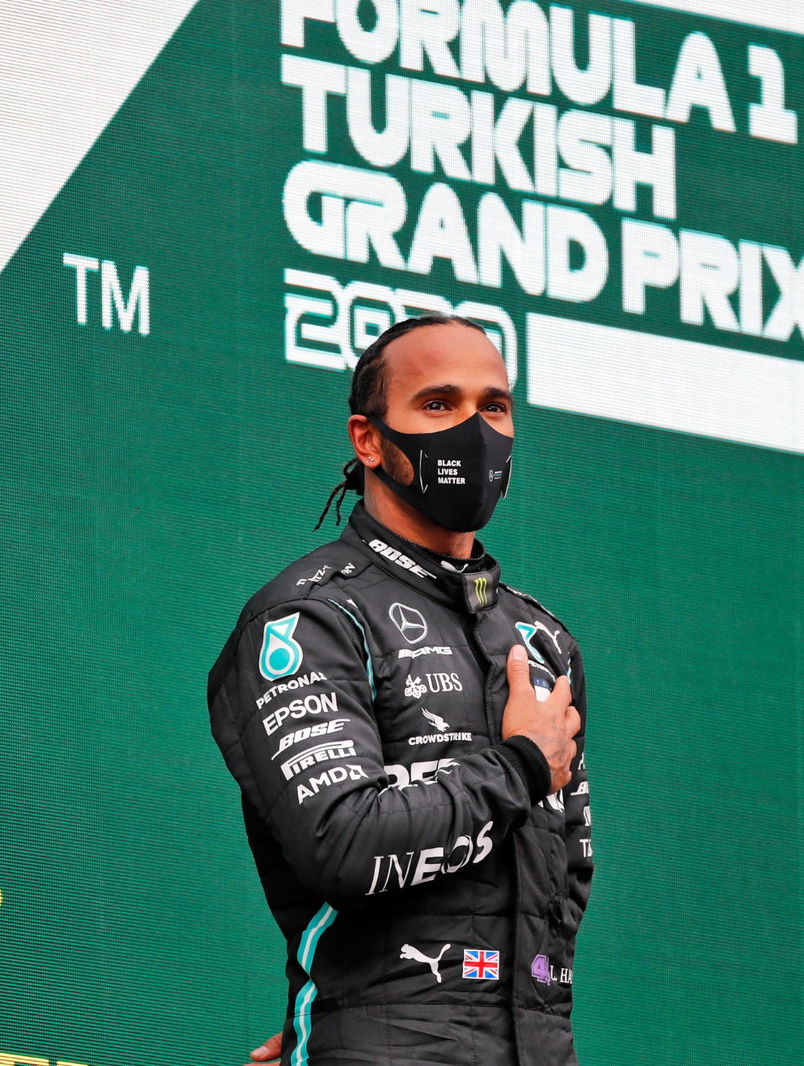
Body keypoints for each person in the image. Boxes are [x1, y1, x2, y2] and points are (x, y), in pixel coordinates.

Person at [207, 313, 591, 1065]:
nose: (474, 432)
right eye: (439, 405)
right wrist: (519, 764)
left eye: (493, 406)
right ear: (369, 440)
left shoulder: (543, 638)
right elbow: (344, 844)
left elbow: (563, 879)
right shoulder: (312, 617)